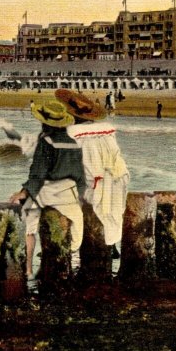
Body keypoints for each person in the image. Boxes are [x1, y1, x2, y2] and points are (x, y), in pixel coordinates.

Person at [9, 100, 86, 280]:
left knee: (29, 223)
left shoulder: (46, 141)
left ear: (45, 122)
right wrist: (80, 197)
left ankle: (27, 270)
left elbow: (38, 173)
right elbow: (80, 176)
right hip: (69, 194)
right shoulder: (74, 143)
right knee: (74, 227)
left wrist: (23, 193)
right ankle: (67, 265)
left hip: (47, 192)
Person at [56, 89, 130, 257]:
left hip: (97, 180)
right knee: (112, 212)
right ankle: (111, 245)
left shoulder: (75, 135)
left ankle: (73, 244)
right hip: (119, 177)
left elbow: (84, 166)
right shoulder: (104, 131)